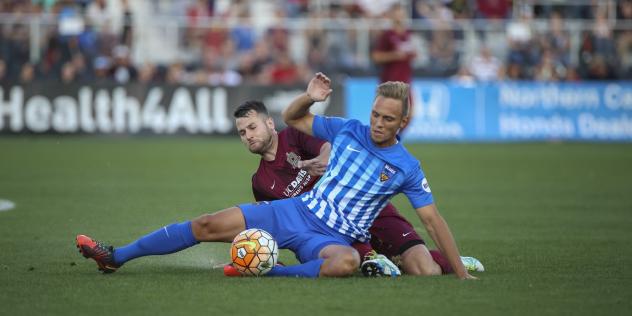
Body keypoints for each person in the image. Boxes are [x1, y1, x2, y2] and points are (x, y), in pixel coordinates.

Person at [76, 72, 477, 279]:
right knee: (206, 223)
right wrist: (310, 97)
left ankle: (273, 271)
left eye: (386, 119)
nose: (376, 123)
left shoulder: (407, 167)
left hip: (332, 239)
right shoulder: (349, 129)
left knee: (345, 264)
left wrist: (459, 277)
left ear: (402, 121)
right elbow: (294, 118)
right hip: (293, 211)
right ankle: (116, 257)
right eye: (374, 114)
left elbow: (433, 220)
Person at [225, 100, 483, 276]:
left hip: (368, 204)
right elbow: (275, 225)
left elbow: (327, 146)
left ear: (269, 123)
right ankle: (376, 259)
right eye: (242, 132)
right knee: (367, 263)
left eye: (252, 127)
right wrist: (258, 257)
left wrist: (321, 160)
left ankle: (450, 260)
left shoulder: (294, 135)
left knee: (423, 268)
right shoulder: (260, 182)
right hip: (328, 230)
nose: (248, 135)